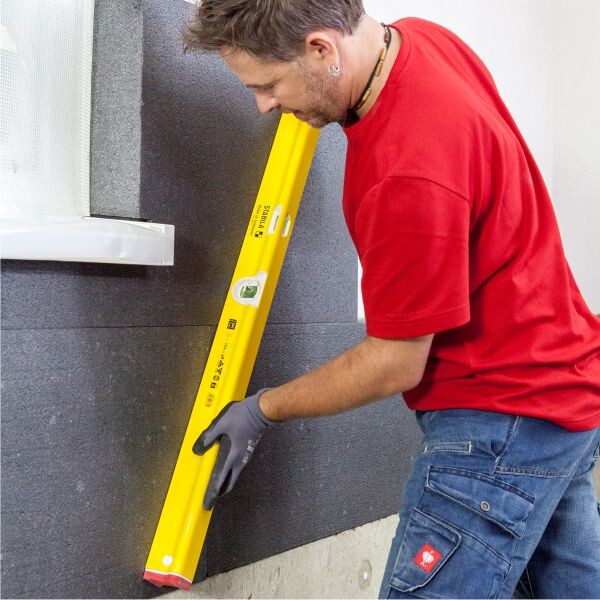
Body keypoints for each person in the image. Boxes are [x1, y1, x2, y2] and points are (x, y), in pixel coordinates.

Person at [184, 1, 600, 598]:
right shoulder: (422, 40)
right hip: (564, 392)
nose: (264, 105)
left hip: (499, 421)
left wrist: (263, 409)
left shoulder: (406, 171)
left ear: (322, 49)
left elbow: (395, 361)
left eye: (268, 84)